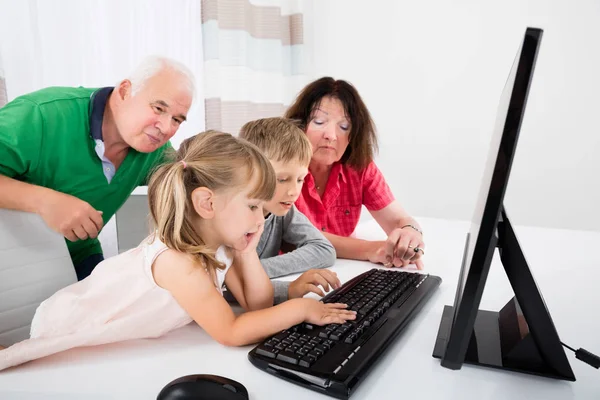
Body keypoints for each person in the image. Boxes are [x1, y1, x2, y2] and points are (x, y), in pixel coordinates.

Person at [0, 131, 355, 371]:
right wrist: (300, 310)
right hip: (73, 322)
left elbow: (257, 306)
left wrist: (246, 252)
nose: (260, 218)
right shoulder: (179, 262)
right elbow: (231, 331)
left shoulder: (219, 244)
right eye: (252, 207)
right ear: (207, 203)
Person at [0, 56, 195, 280]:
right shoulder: (41, 115)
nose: (165, 127)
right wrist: (45, 201)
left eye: (177, 120)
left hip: (78, 256)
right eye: (159, 108)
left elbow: (197, 181)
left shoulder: (156, 151)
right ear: (124, 91)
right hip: (11, 265)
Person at [285, 77, 426, 269]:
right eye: (319, 122)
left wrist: (411, 234)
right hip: (293, 275)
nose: (331, 135)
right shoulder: (283, 168)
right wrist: (370, 249)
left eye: (344, 127)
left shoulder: (360, 168)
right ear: (300, 125)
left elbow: (399, 220)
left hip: (343, 271)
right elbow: (297, 236)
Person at [239, 117, 340, 304]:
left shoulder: (284, 210)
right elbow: (221, 285)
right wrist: (288, 289)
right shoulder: (229, 221)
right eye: (282, 179)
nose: (294, 192)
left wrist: (255, 271)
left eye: (300, 179)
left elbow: (324, 250)